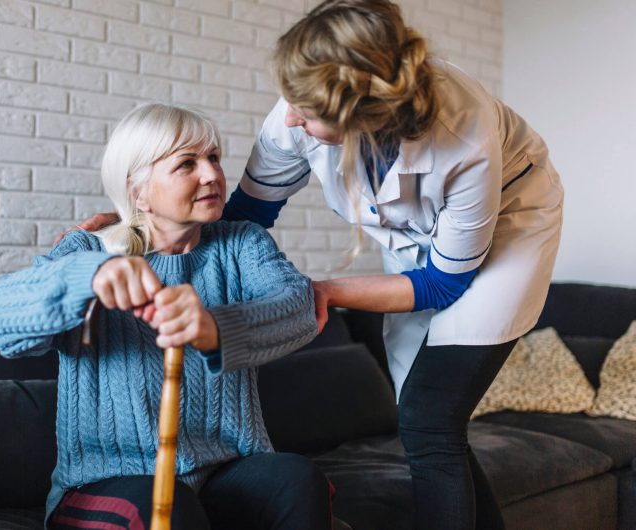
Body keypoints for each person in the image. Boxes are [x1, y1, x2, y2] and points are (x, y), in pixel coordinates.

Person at [68, 2, 564, 529]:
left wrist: (326, 289)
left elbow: (443, 282)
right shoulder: (298, 108)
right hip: (420, 247)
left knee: (428, 420)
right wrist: (134, 229)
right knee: (430, 425)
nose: (289, 118)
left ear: (361, 116)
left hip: (511, 225)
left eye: (306, 113)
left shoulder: (465, 136)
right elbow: (246, 217)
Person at [0, 103, 334, 530]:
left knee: (295, 479)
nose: (211, 175)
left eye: (214, 158)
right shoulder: (89, 251)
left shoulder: (241, 244)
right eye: (187, 163)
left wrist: (215, 328)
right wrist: (89, 278)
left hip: (224, 472)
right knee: (159, 506)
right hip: (109, 481)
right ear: (138, 191)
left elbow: (297, 305)